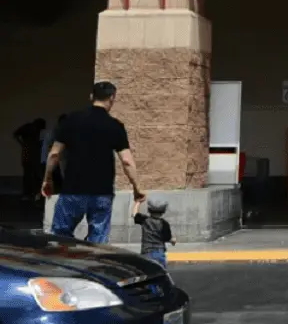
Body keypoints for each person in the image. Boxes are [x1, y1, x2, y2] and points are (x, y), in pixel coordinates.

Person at [43, 82, 144, 244]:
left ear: (91, 97)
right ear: (112, 98)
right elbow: (127, 161)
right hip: (101, 192)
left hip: (73, 190)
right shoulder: (115, 126)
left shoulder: (71, 120)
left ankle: (66, 263)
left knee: (60, 235)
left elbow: (54, 154)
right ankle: (93, 265)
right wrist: (137, 188)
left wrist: (47, 179)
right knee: (98, 239)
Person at [132, 196, 175, 267]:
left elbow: (134, 214)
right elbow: (168, 238)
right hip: (159, 254)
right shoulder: (164, 224)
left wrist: (138, 202)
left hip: (146, 253)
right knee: (160, 275)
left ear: (149, 209)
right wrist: (173, 240)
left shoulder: (144, 220)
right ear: (163, 211)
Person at [14, 118, 46, 201]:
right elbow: (16, 134)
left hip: (29, 152)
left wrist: (22, 144)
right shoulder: (31, 128)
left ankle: (29, 193)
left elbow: (16, 134)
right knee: (34, 173)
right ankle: (32, 193)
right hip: (32, 153)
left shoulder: (28, 127)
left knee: (28, 174)